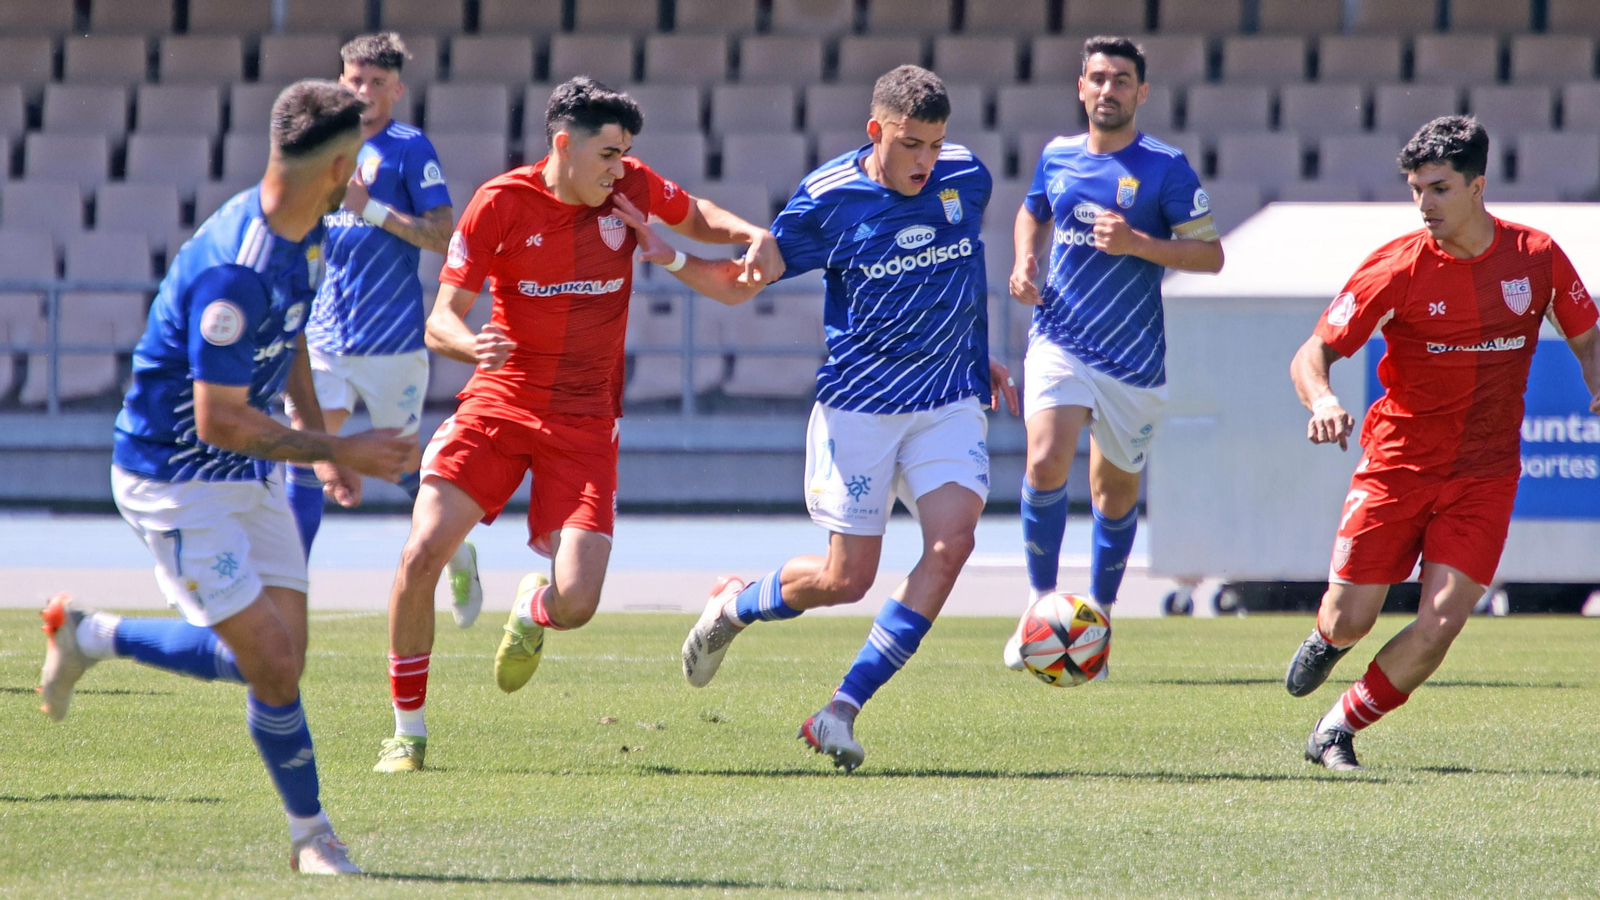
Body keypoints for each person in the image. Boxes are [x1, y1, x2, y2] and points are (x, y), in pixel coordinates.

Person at [35, 81, 416, 874]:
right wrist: (343, 452)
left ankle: (91, 634)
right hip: (175, 478)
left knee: (278, 659)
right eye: (363, 162)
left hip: (252, 466)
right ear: (341, 163)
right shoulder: (236, 269)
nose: (367, 178)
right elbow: (218, 419)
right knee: (271, 663)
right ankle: (314, 837)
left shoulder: (307, 228)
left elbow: (294, 334)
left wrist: (317, 441)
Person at [371, 76, 783, 773]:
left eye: (627, 155)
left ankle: (534, 609)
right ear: (563, 145)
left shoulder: (630, 189)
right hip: (501, 401)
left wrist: (751, 233)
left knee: (579, 603)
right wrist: (473, 347)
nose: (621, 169)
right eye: (608, 154)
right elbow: (440, 318)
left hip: (588, 416)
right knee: (419, 556)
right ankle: (407, 735)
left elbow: (699, 215)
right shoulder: (500, 203)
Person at [663, 65, 1017, 773]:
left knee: (953, 542)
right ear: (874, 131)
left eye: (935, 144)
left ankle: (840, 710)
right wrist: (671, 254)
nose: (925, 161)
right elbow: (743, 283)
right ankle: (736, 606)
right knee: (845, 579)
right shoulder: (829, 199)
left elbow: (964, 273)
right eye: (910, 144)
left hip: (945, 399)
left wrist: (981, 356)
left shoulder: (966, 176)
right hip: (859, 409)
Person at [1285, 116, 1600, 770]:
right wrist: (1322, 399)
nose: (1423, 204)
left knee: (1443, 623)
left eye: (1438, 188)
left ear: (1478, 186)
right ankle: (1328, 636)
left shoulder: (1536, 258)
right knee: (1350, 619)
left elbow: (1589, 338)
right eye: (1414, 190)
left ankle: (1336, 730)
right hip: (1397, 467)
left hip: (1485, 475)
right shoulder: (1395, 268)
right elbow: (1313, 352)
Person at [1002, 36, 1223, 674]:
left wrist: (1136, 243)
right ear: (1081, 87)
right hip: (1060, 337)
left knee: (1114, 491)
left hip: (1133, 356)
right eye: (1097, 78)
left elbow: (1210, 256)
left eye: (1121, 80)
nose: (1108, 89)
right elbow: (1031, 213)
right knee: (1045, 458)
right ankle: (1039, 607)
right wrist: (1025, 260)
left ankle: (1096, 618)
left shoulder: (1166, 167)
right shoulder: (1056, 156)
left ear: (1141, 92)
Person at [282, 33, 482, 629]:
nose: (363, 92)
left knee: (401, 467)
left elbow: (444, 235)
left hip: (392, 337)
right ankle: (287, 588)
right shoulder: (319, 145)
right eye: (354, 80)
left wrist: (368, 207)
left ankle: (456, 549)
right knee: (305, 450)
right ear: (339, 81)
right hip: (326, 334)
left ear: (396, 90)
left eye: (375, 82)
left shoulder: (407, 148)